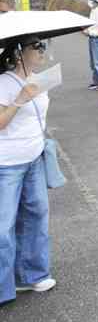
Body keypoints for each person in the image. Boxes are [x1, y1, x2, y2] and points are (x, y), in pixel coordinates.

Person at [0, 35, 56, 305]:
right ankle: (3, 287)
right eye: (38, 47)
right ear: (19, 52)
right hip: (6, 164)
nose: (43, 50)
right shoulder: (3, 82)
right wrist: (20, 99)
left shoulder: (38, 78)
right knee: (4, 227)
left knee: (36, 215)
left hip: (34, 157)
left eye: (43, 45)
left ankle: (32, 274)